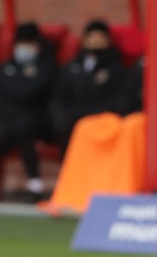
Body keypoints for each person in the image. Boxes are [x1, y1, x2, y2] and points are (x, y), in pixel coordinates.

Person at [0, 22, 58, 202]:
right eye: (20, 44)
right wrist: (18, 86)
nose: (24, 49)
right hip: (1, 118)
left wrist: (13, 86)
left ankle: (35, 184)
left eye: (29, 44)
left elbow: (30, 92)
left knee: (20, 126)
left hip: (34, 121)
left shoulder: (47, 67)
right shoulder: (5, 67)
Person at [49, 19, 127, 156]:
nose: (96, 41)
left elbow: (120, 99)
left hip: (102, 117)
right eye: (92, 37)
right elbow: (58, 96)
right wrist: (60, 116)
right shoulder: (71, 67)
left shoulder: (117, 68)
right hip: (72, 117)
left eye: (100, 37)